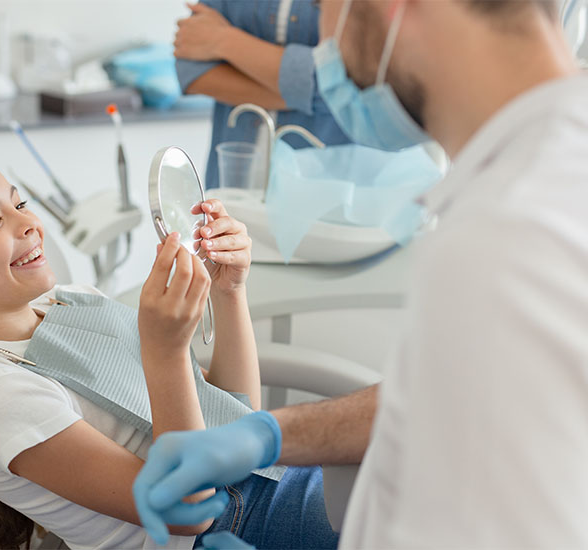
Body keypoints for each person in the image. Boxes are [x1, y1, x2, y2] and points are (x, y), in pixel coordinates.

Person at [135, 0, 588, 547]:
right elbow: (451, 395)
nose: (321, 49)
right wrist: (271, 434)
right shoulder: (543, 173)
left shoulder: (502, 237)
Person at [0, 148, 340, 550]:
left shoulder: (74, 301)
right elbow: (186, 511)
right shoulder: (0, 399)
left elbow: (231, 414)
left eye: (19, 204)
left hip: (269, 480)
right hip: (230, 528)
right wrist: (164, 354)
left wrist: (228, 292)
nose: (29, 224)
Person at [174, 0, 350, 189]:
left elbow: (343, 81)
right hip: (231, 187)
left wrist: (221, 40)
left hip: (324, 189)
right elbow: (192, 69)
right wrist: (303, 91)